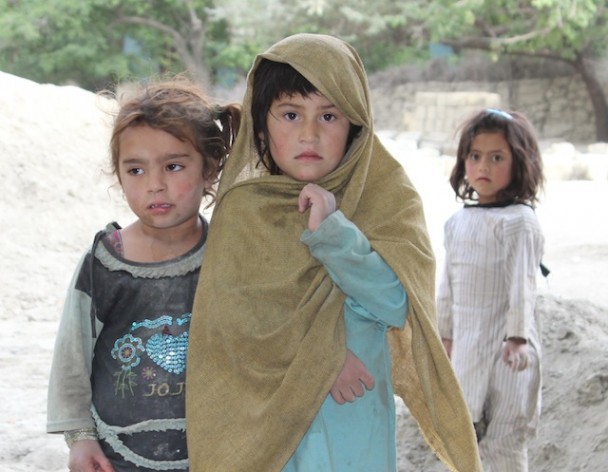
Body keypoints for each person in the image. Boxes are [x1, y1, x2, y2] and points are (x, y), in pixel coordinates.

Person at [186, 33, 482, 472]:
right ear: (262, 123)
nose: (309, 133)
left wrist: (334, 233)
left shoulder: (387, 199)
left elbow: (397, 304)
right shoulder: (244, 211)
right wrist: (319, 361)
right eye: (290, 114)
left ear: (356, 123)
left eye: (329, 115)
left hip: (353, 430)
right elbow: (228, 332)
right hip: (266, 436)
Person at [46, 77, 241, 472]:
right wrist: (80, 438)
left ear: (210, 168)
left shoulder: (230, 253)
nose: (155, 185)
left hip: (215, 452)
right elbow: (73, 354)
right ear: (118, 175)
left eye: (173, 166)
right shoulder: (105, 262)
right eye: (135, 170)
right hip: (119, 455)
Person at [437, 108, 546, 471]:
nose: (483, 166)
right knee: (467, 443)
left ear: (519, 163)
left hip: (507, 354)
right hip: (467, 348)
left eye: (497, 157)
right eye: (475, 156)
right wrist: (445, 336)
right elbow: (447, 286)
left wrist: (517, 338)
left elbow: (523, 286)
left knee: (504, 447)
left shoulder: (519, 222)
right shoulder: (457, 222)